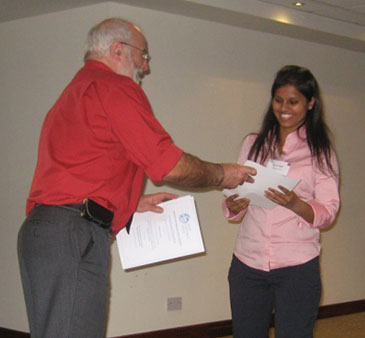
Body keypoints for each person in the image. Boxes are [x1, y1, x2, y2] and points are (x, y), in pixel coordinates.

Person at [17, 18, 256, 338]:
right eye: (143, 55)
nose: (145, 66)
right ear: (118, 50)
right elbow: (166, 164)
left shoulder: (73, 93)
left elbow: (81, 165)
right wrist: (221, 174)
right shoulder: (115, 87)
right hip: (72, 234)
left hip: (47, 232)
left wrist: (129, 202)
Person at [224, 65, 340, 338]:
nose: (284, 108)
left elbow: (329, 210)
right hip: (247, 264)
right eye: (278, 100)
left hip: (297, 268)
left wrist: (295, 203)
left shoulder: (320, 151)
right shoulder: (253, 143)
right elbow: (231, 197)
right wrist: (233, 205)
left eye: (293, 101)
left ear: (310, 103)